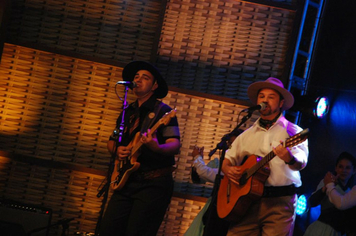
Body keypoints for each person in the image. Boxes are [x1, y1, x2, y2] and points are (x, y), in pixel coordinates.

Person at [99, 61, 181, 236]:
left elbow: (175, 144)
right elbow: (111, 141)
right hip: (125, 180)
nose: (138, 79)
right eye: (136, 77)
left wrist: (156, 146)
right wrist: (117, 150)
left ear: (155, 85)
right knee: (108, 229)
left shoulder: (164, 113)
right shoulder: (127, 111)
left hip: (153, 184)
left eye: (145, 77)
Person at [221, 77, 309, 236]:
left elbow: (301, 163)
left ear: (281, 103)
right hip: (247, 202)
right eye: (262, 96)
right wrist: (227, 168)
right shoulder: (247, 134)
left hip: (280, 203)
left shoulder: (293, 131)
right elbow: (228, 159)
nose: (265, 100)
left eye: (271, 97)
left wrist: (289, 158)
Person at [185, 131, 242, 236]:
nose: (230, 147)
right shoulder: (218, 163)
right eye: (229, 144)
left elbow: (205, 172)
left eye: (234, 144)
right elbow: (199, 179)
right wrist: (199, 160)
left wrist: (197, 158)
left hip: (226, 210)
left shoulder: (237, 167)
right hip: (212, 206)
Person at [304, 151, 356, 236]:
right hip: (322, 230)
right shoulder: (327, 183)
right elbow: (311, 202)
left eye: (348, 168)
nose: (344, 170)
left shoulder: (351, 191)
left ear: (354, 171)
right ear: (336, 168)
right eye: (340, 167)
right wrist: (326, 187)